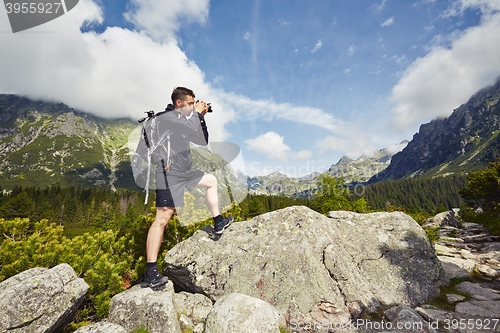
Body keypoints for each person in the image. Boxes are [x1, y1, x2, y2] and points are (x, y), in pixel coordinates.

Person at [143, 86, 233, 288]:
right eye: (190, 103)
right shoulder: (167, 117)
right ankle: (150, 272)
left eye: (194, 103)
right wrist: (198, 114)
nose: (193, 106)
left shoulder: (185, 120)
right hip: (168, 174)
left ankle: (218, 222)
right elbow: (184, 129)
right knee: (162, 219)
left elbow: (202, 139)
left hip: (184, 171)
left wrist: (202, 117)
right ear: (179, 103)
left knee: (211, 181)